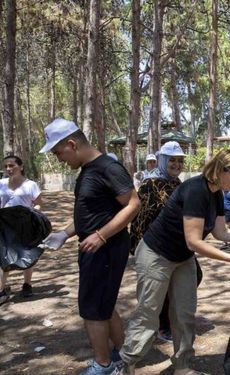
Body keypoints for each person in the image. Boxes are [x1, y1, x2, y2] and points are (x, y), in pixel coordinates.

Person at [115, 149, 230, 375]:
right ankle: (126, 364)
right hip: (156, 255)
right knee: (149, 313)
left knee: (184, 313)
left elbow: (220, 233)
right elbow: (194, 242)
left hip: (182, 258)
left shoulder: (216, 193)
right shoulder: (196, 190)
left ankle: (183, 366)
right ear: (219, 169)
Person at [38, 118, 141, 375]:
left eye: (58, 152)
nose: (59, 158)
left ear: (71, 144)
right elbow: (93, 212)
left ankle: (104, 365)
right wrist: (64, 233)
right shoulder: (87, 170)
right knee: (103, 304)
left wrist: (101, 236)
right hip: (95, 247)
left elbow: (133, 204)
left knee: (93, 309)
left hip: (106, 249)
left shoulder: (107, 167)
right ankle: (120, 353)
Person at [129, 141, 193, 343]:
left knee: (180, 285)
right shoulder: (150, 184)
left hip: (176, 246)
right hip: (153, 248)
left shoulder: (178, 183)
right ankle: (158, 328)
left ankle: (167, 323)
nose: (176, 164)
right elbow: (139, 219)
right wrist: (139, 248)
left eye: (180, 161)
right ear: (162, 161)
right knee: (155, 291)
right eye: (172, 160)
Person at [0, 155, 43, 304]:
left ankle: (27, 285)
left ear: (21, 167)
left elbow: (37, 204)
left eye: (12, 165)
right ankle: (2, 290)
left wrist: (33, 214)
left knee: (27, 254)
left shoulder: (31, 185)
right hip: (4, 225)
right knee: (3, 256)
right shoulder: (1, 183)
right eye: (6, 166)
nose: (8, 169)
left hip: (25, 224)